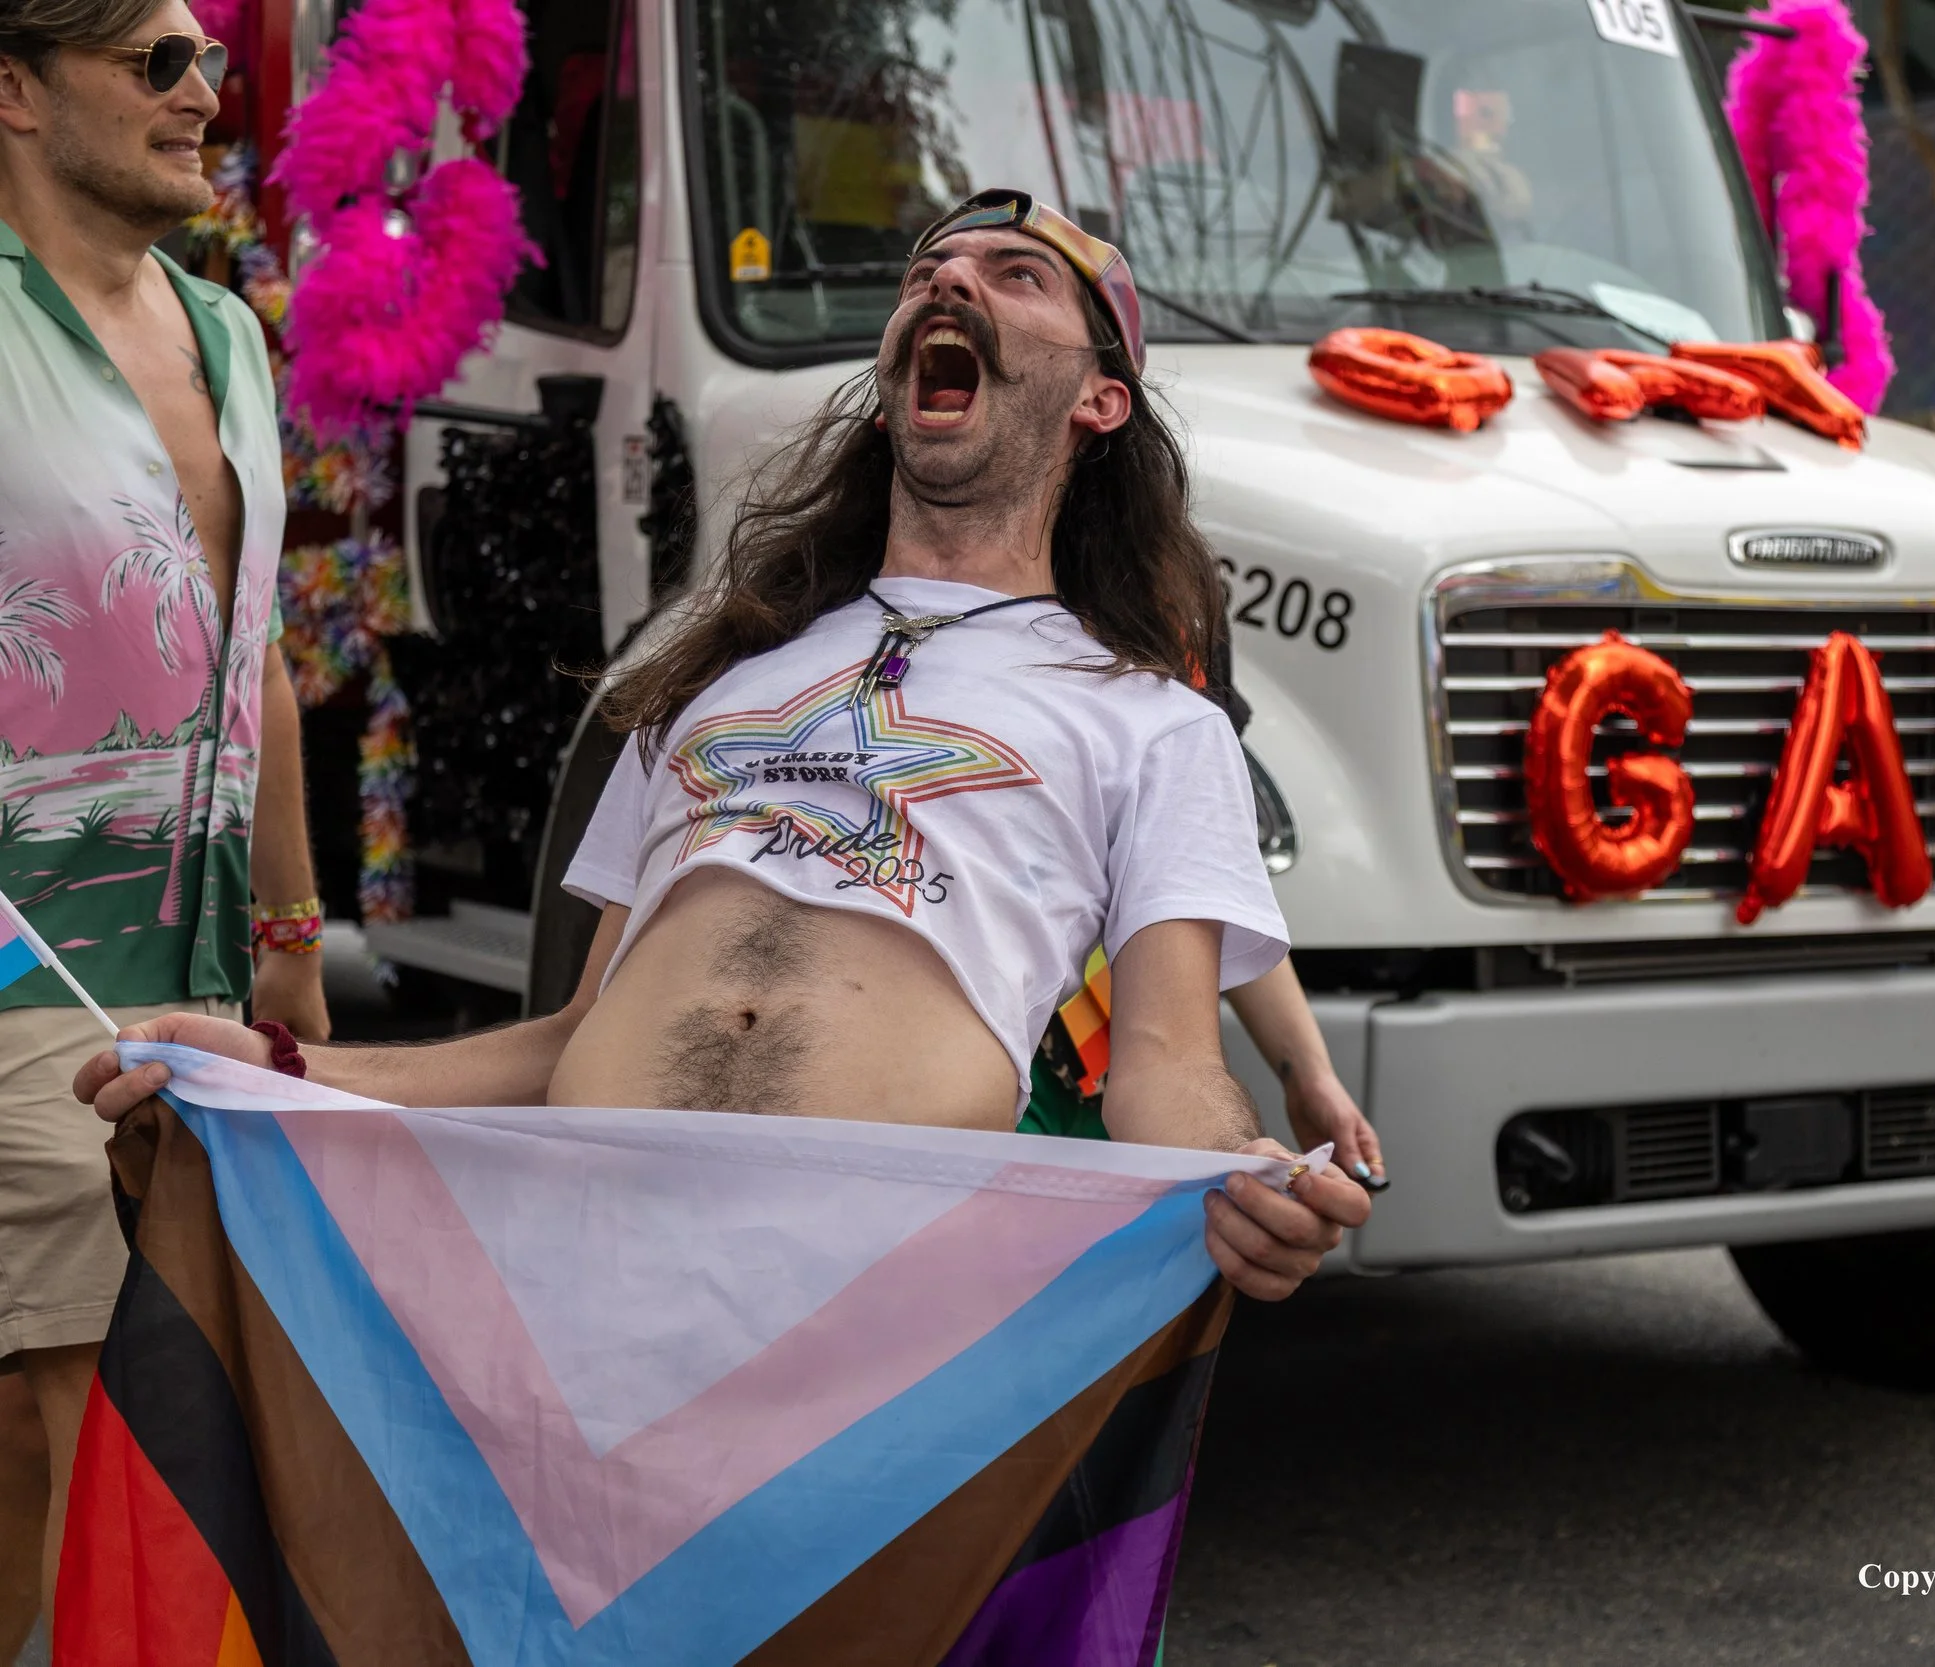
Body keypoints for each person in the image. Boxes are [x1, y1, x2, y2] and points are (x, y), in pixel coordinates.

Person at [81, 185, 1369, 1297]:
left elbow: (1160, 1064)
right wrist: (286, 1066)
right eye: (928, 272)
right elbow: (565, 1039)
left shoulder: (1147, 718)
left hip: (872, 1316)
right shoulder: (704, 676)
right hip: (592, 1281)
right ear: (887, 402)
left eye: (1012, 275)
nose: (949, 280)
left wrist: (1242, 1168)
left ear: (1100, 397)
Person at [0, 0, 330, 1647]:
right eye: (157, 60)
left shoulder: (228, 331)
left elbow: (254, 647)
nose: (207, 93)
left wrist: (294, 944)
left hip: (203, 985)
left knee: (71, 1443)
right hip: (24, 976)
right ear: (14, 88)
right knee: (98, 1415)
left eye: (212, 63)